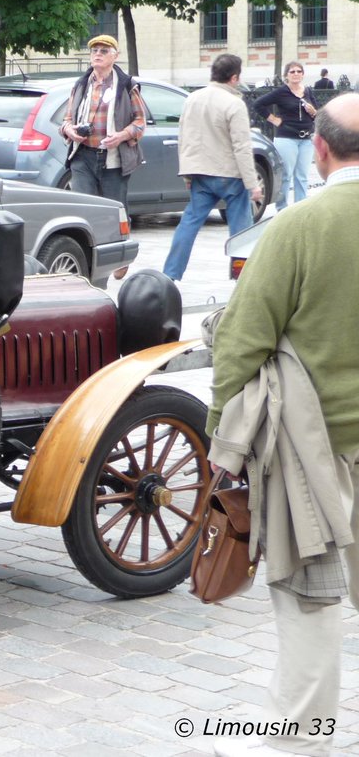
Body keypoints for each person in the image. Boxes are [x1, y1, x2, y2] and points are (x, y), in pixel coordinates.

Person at [205, 92, 359, 757]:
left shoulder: (299, 227)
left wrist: (222, 446)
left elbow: (242, 341)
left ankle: (301, 747)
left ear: (318, 150)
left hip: (312, 457)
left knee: (311, 610)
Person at [161, 54, 262, 281]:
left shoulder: (192, 98)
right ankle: (243, 278)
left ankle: (171, 275)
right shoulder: (235, 104)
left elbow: (185, 135)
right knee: (241, 232)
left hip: (200, 172)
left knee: (189, 223)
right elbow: (242, 147)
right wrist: (252, 184)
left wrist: (187, 172)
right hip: (230, 175)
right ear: (234, 78)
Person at [59, 34, 146, 279]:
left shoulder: (127, 85)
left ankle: (120, 256)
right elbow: (65, 121)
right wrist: (70, 131)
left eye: (104, 50)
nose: (97, 54)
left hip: (113, 158)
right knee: (82, 209)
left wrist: (120, 136)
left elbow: (141, 123)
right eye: (94, 50)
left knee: (115, 212)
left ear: (114, 56)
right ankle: (89, 261)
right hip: (83, 156)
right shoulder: (81, 85)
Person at [253, 61, 319, 209]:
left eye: (299, 71)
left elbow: (317, 113)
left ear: (303, 74)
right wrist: (274, 120)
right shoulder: (281, 92)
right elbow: (258, 104)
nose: (296, 74)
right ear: (286, 75)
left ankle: (300, 208)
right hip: (287, 138)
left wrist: (313, 112)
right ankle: (282, 209)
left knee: (302, 176)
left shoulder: (308, 91)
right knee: (286, 175)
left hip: (306, 139)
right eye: (292, 71)